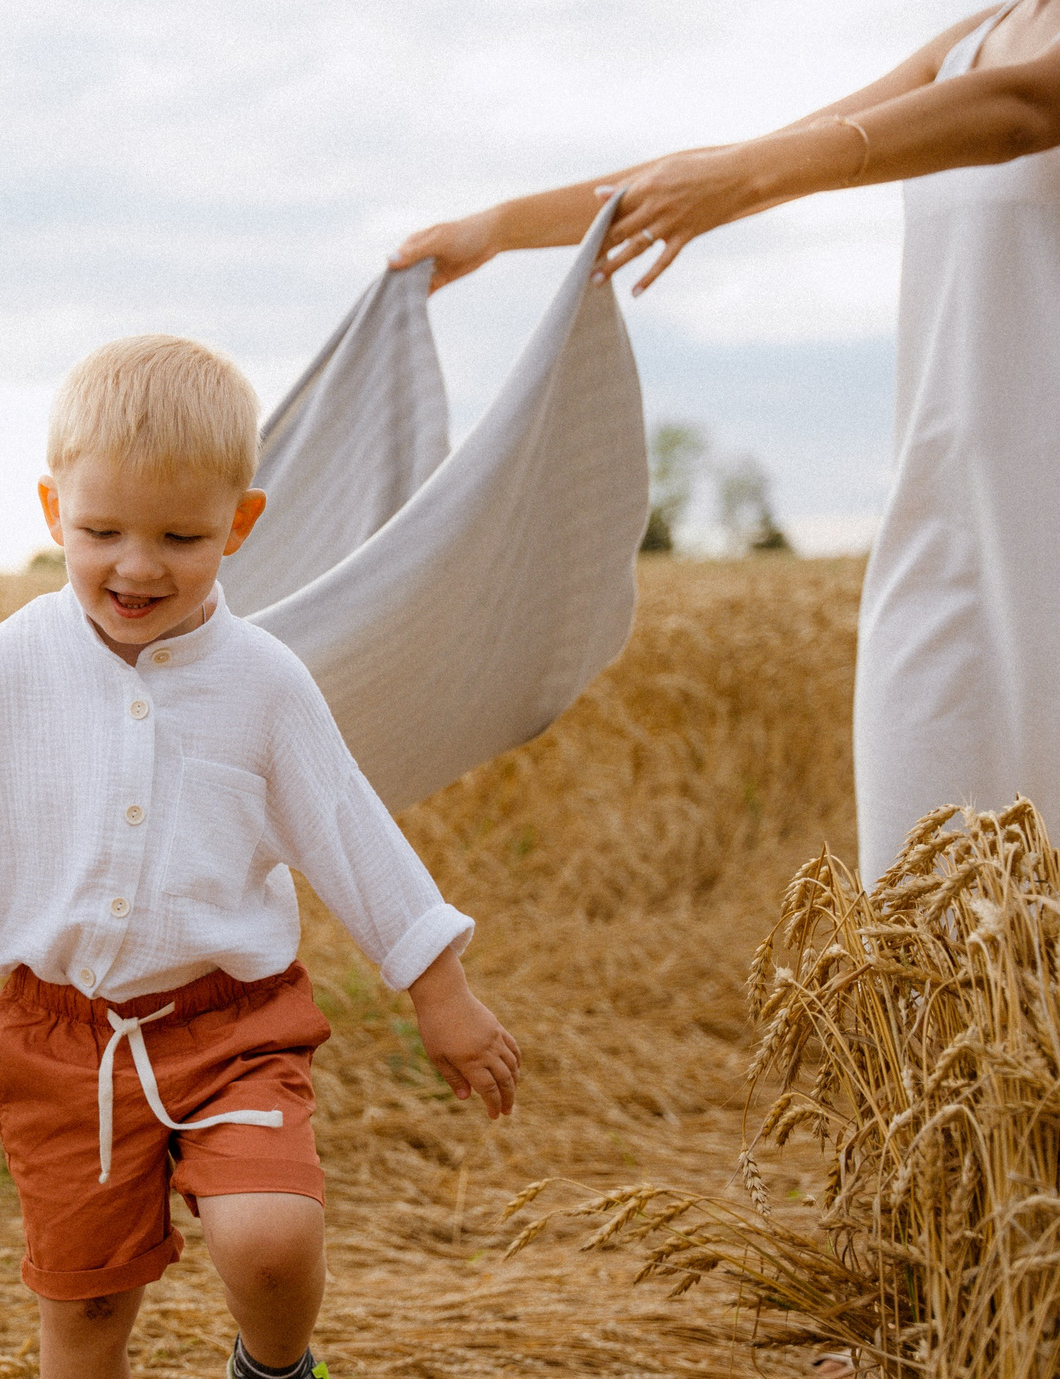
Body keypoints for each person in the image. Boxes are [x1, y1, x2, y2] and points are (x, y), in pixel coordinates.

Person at [0, 335, 520, 1379]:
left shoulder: (260, 682)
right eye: (103, 533)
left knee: (270, 1236)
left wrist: (439, 988)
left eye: (180, 540)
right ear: (51, 514)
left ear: (237, 525)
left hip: (232, 1021)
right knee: (83, 1304)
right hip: (61, 1045)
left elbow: (348, 834)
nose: (137, 567)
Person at [393, 3, 1060, 884]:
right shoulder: (982, 34)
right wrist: (505, 226)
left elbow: (1023, 109)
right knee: (920, 914)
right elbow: (760, 156)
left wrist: (746, 178)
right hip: (947, 532)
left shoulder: (1011, 71)